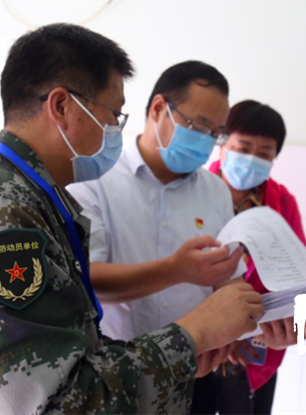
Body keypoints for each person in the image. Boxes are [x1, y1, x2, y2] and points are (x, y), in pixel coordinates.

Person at [0, 24, 264, 414]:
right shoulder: (1, 211)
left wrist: (189, 350)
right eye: (113, 114)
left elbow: (62, 356)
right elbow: (53, 401)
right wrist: (191, 335)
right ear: (61, 106)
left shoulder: (25, 194)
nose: (115, 130)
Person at [67, 60, 253, 413]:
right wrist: (177, 270)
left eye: (216, 133)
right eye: (198, 126)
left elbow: (227, 278)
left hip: (195, 369)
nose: (206, 142)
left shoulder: (215, 190)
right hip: (119, 370)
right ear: (158, 109)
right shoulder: (95, 178)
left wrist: (254, 316)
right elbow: (89, 280)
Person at [202, 100, 306, 415]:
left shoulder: (283, 204)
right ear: (223, 142)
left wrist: (287, 329)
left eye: (264, 154)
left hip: (253, 353)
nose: (251, 160)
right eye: (243, 148)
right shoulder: (192, 191)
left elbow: (299, 279)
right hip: (197, 346)